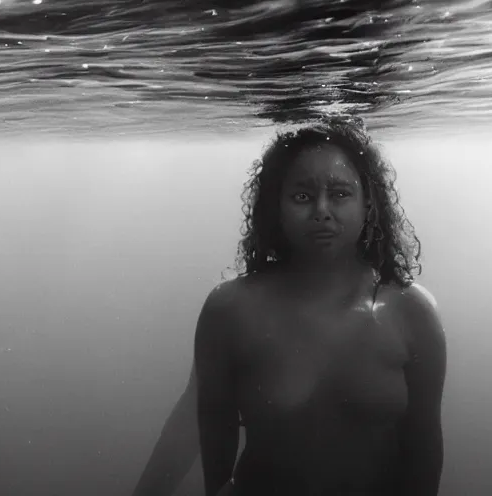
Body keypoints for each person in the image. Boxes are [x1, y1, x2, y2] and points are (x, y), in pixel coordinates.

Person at [133, 119, 446, 496]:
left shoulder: (412, 312)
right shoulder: (230, 309)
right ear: (275, 207)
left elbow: (424, 446)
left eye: (341, 193)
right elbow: (211, 426)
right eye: (302, 196)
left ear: (369, 205)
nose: (322, 211)